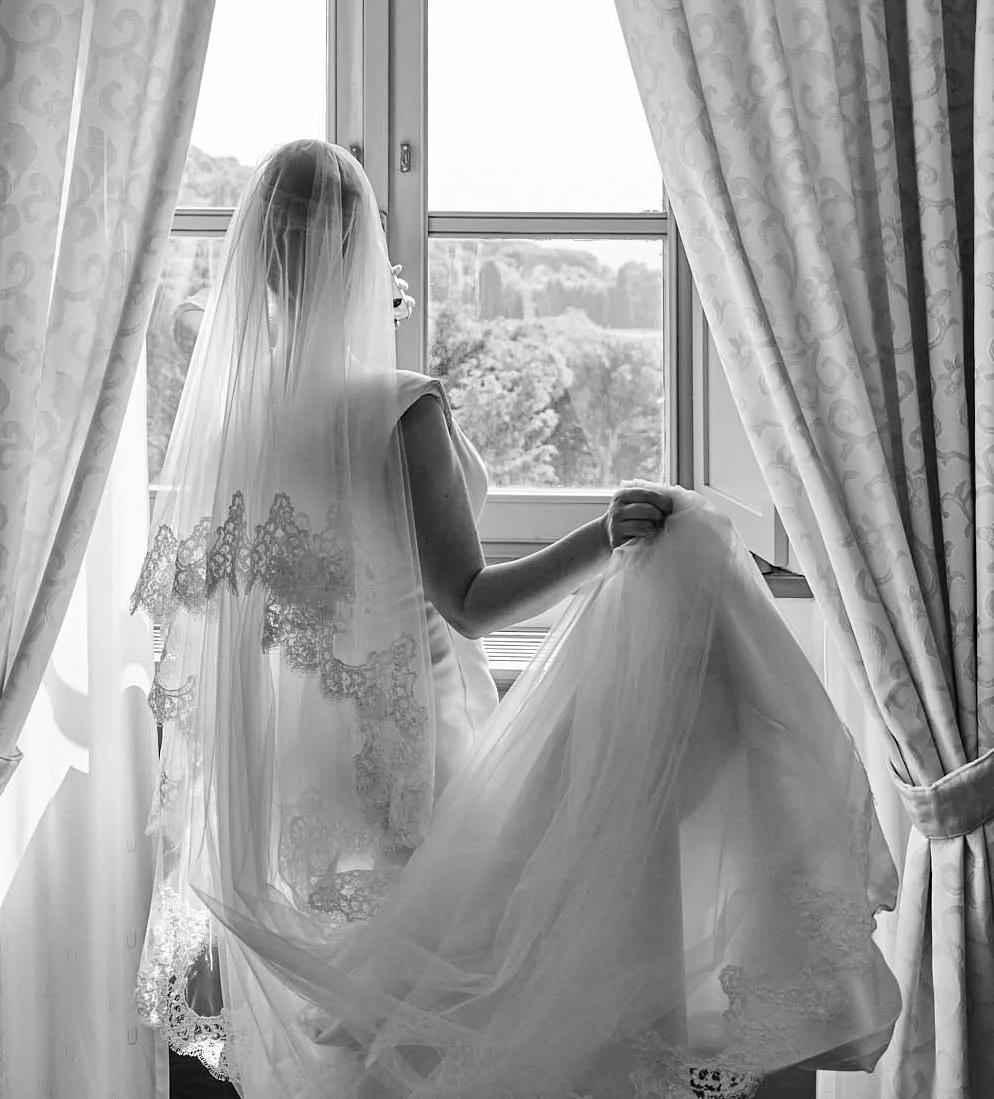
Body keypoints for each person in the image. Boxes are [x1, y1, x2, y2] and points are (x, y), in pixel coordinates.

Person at [132, 139, 900, 1098]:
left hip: (306, 795)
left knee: (387, 1049)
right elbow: (471, 603)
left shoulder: (236, 421)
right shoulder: (400, 409)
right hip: (421, 765)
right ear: (359, 255)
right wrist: (602, 535)